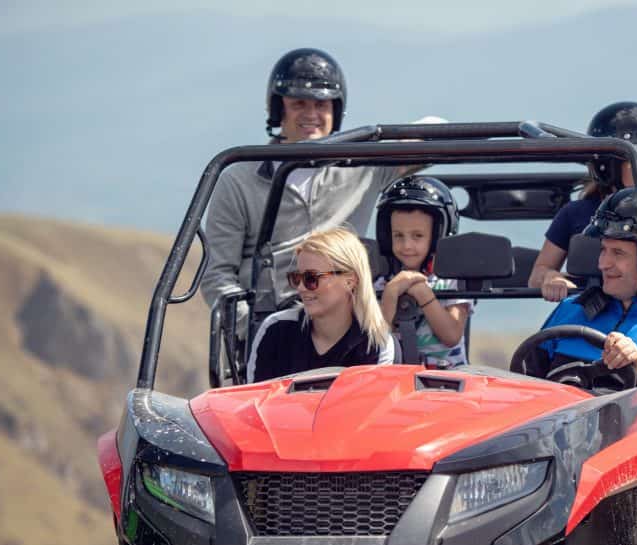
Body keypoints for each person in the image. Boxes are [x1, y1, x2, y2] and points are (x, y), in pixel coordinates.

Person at [201, 48, 412, 309]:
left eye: (321, 105)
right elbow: (217, 276)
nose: (311, 114)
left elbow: (431, 135)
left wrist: (368, 139)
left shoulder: (362, 166)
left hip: (347, 320)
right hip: (270, 321)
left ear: (336, 111)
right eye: (298, 103)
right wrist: (253, 332)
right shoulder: (238, 180)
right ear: (279, 110)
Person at [532, 188, 637, 412]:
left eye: (618, 253)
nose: (603, 263)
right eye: (604, 250)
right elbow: (524, 379)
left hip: (629, 441)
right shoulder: (569, 310)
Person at [529, 101, 637, 302]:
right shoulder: (575, 213)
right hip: (586, 319)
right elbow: (537, 275)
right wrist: (551, 277)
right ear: (610, 167)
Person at [246, 227, 395, 382]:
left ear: (350, 280)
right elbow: (254, 400)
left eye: (312, 278)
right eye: (297, 278)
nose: (301, 288)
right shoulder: (275, 329)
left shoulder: (377, 343)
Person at [373, 176, 473, 368]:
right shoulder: (381, 284)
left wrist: (423, 294)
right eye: (398, 236)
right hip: (395, 379)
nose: (407, 245)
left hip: (448, 380)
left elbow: (451, 335)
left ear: (438, 236)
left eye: (417, 236)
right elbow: (377, 341)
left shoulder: (453, 281)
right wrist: (391, 294)